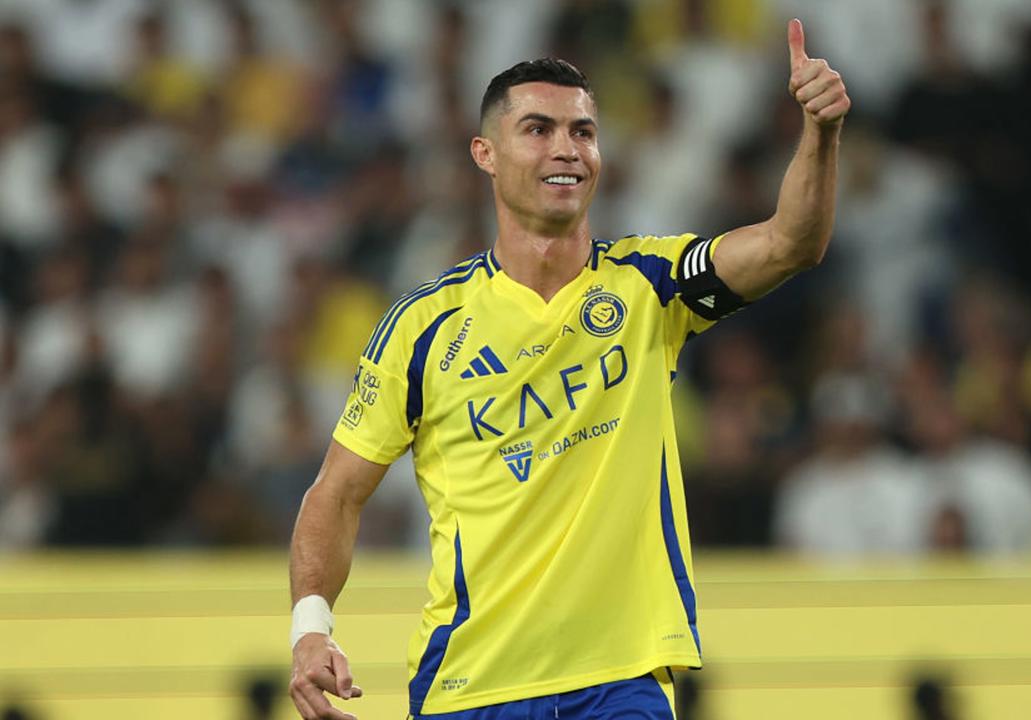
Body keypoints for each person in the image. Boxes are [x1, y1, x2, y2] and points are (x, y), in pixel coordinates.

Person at [288, 19, 848, 720]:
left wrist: (820, 134)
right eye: (538, 129)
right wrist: (310, 632)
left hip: (623, 681)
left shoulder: (651, 285)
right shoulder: (423, 328)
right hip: (471, 685)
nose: (567, 149)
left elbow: (790, 242)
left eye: (583, 132)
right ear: (485, 153)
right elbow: (335, 494)